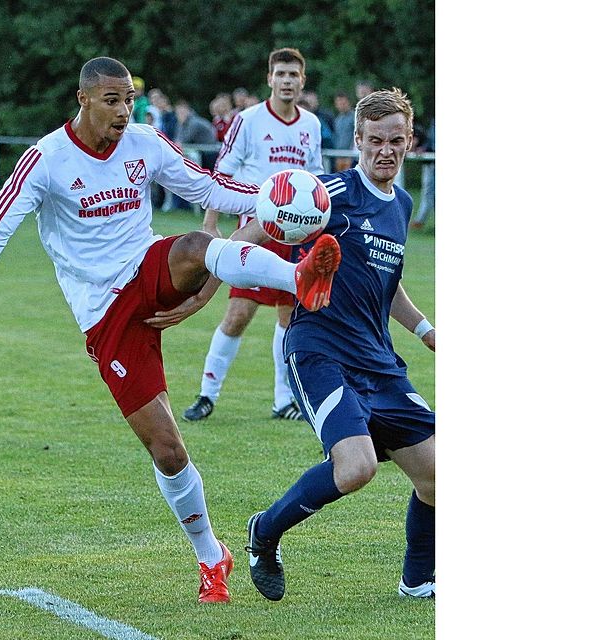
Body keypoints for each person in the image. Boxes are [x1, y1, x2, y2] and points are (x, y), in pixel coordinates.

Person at [0, 56, 342, 605]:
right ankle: (212, 555)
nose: (123, 110)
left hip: (149, 269)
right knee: (167, 449)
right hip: (103, 312)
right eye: (111, 100)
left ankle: (298, 276)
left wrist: (267, 201)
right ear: (83, 99)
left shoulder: (146, 143)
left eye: (128, 99)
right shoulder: (47, 160)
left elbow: (206, 188)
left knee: (191, 246)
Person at [237, 88, 436, 601]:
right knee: (356, 467)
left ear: (410, 141)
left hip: (379, 360)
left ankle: (418, 581)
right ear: (357, 141)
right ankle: (266, 531)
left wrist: (426, 331)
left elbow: (386, 285)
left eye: (395, 140)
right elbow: (261, 222)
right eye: (374, 141)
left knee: (439, 476)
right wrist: (215, 262)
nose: (385, 150)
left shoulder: (403, 205)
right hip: (320, 351)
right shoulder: (330, 193)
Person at [181, 47, 324, 423]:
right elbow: (222, 171)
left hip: (298, 234)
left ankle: (283, 400)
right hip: (257, 228)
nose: (287, 81)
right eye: (281, 74)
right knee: (237, 314)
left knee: (288, 316)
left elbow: (317, 180)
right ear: (270, 78)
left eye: (294, 75)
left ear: (302, 81)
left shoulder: (312, 124)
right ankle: (206, 394)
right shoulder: (248, 120)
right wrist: (211, 222)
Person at [411, 118, 435, 229]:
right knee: (428, 191)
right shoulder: (433, 123)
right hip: (430, 162)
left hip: (431, 160)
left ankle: (420, 220)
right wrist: (425, 148)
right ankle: (420, 220)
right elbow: (430, 141)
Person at [331, 90, 355, 172]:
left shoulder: (354, 117)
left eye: (343, 103)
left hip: (350, 155)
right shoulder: (337, 119)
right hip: (338, 155)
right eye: (339, 103)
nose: (341, 105)